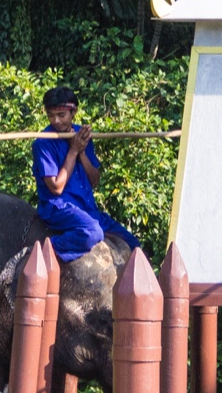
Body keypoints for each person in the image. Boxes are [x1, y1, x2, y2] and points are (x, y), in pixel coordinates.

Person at [32, 85, 142, 264]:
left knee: (133, 244)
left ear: (73, 112)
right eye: (51, 115)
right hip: (58, 208)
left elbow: (95, 180)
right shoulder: (43, 143)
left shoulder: (81, 136)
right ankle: (45, 250)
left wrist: (81, 151)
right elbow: (57, 188)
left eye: (61, 115)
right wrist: (73, 151)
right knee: (92, 232)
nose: (56, 121)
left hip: (87, 208)